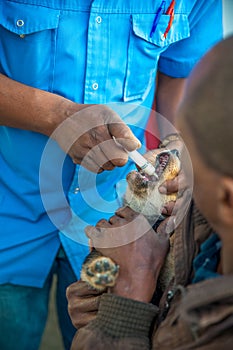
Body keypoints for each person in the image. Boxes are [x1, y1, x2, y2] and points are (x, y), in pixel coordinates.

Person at [0, 1, 222, 349]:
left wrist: (176, 147)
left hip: (119, 214)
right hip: (11, 209)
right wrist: (57, 116)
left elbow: (181, 76)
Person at [66, 35, 233, 349]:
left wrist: (125, 304)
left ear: (227, 199)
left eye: (192, 155)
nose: (178, 162)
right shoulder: (205, 226)